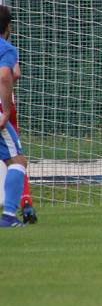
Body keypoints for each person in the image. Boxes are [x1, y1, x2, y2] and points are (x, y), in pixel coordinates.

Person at [0, 5, 29, 227]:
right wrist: (7, 111)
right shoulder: (6, 48)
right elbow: (7, 75)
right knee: (17, 160)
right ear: (8, 26)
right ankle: (9, 216)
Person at [0, 61, 37, 223]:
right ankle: (20, 207)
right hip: (4, 107)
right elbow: (14, 73)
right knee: (17, 160)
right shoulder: (6, 49)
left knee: (15, 159)